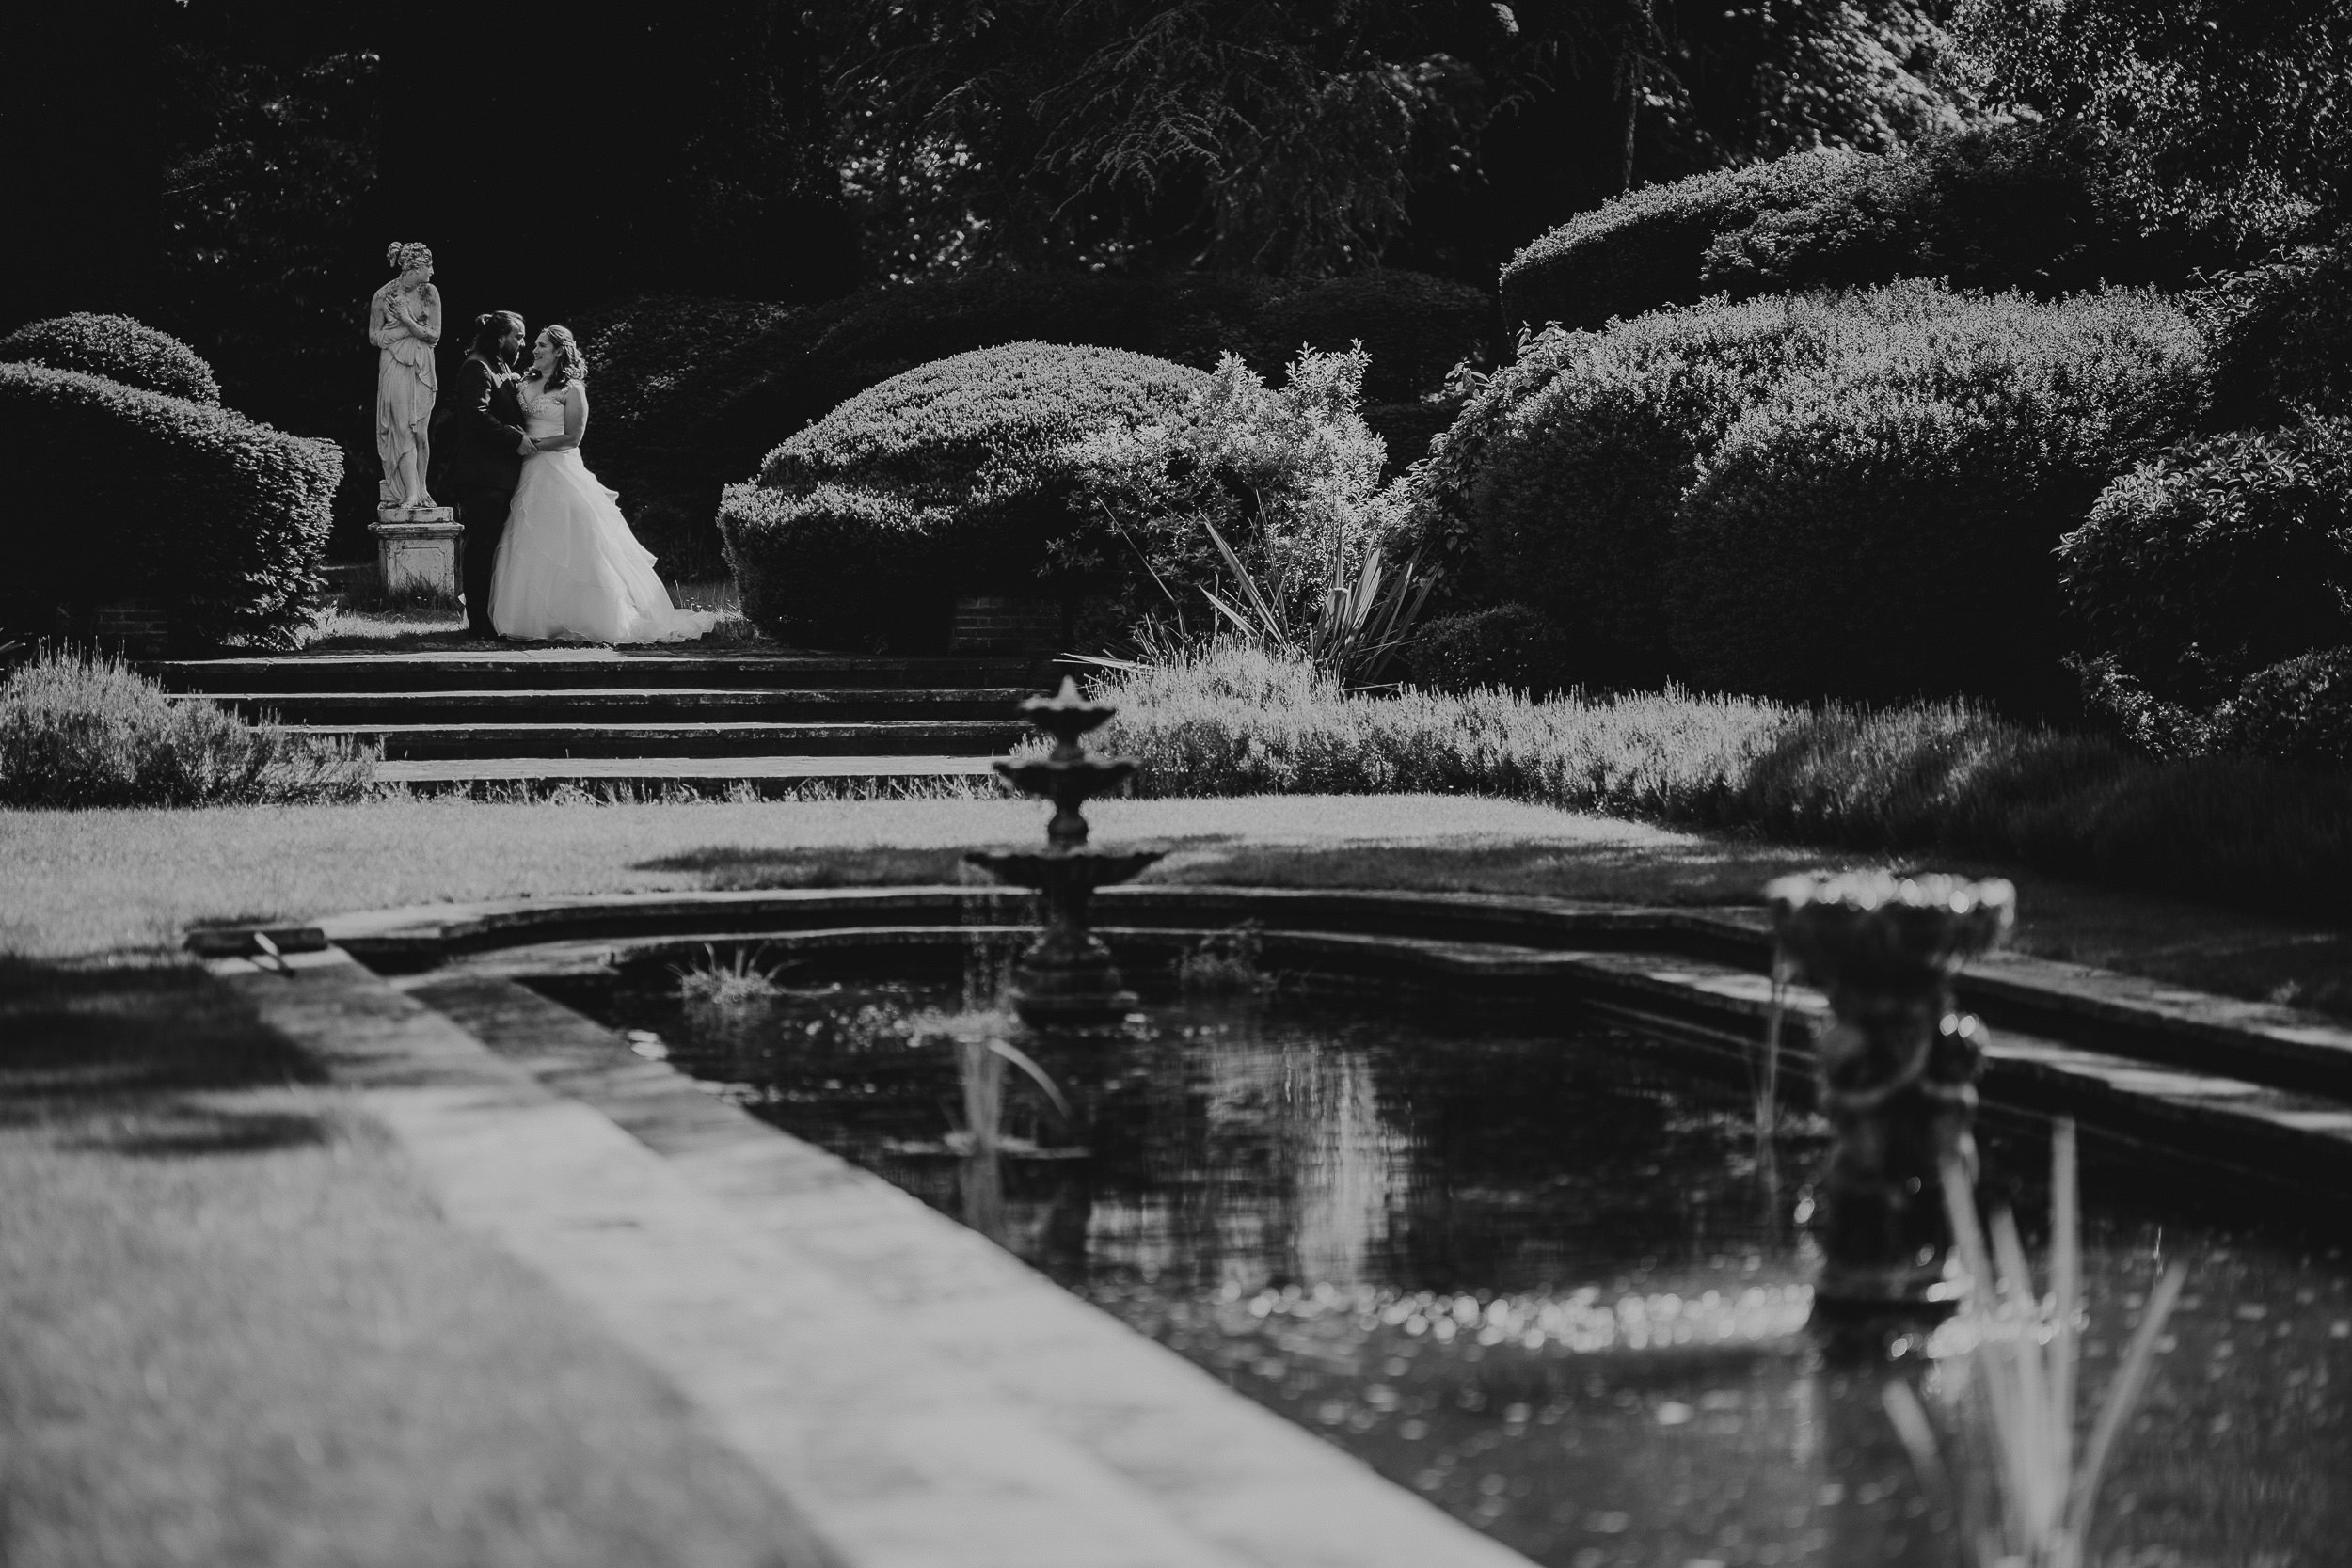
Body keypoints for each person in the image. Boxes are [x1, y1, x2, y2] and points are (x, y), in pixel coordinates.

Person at [488, 326, 720, 643]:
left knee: (575, 540)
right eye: (536, 346)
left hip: (559, 469)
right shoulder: (523, 382)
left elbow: (572, 437)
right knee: (527, 537)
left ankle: (585, 616)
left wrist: (532, 445)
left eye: (542, 346)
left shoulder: (572, 389)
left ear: (559, 351)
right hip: (526, 471)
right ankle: (532, 618)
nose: (536, 350)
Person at [440, 311, 533, 639]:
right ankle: (478, 624)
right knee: (481, 549)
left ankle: (493, 617)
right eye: (518, 336)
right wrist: (515, 438)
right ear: (499, 338)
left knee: (495, 548)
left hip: (500, 476)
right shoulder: (476, 367)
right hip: (482, 477)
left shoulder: (500, 367)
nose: (522, 343)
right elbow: (477, 416)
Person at [368, 242, 441, 514]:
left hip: (421, 364)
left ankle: (421, 488)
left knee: (420, 431)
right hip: (395, 365)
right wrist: (406, 331)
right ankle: (408, 494)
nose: (432, 271)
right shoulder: (383, 295)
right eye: (428, 266)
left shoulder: (429, 293)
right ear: (414, 267)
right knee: (403, 427)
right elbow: (374, 337)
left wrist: (407, 320)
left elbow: (434, 335)